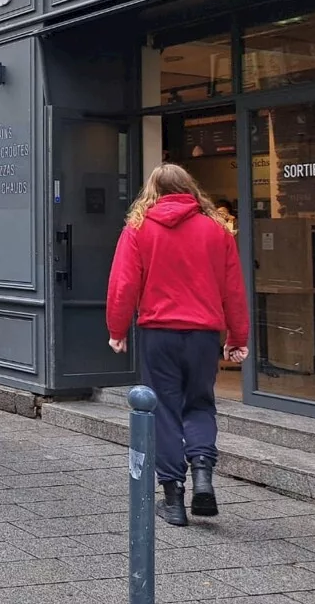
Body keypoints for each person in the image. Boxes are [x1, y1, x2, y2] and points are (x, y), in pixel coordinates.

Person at [105, 163, 250, 526]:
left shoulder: (139, 228)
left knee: (163, 410)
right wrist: (238, 337)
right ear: (190, 189)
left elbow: (123, 285)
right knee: (199, 404)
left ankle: (173, 500)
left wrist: (117, 329)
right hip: (203, 335)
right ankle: (202, 471)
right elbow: (232, 287)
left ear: (152, 190)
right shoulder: (218, 230)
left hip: (159, 333)